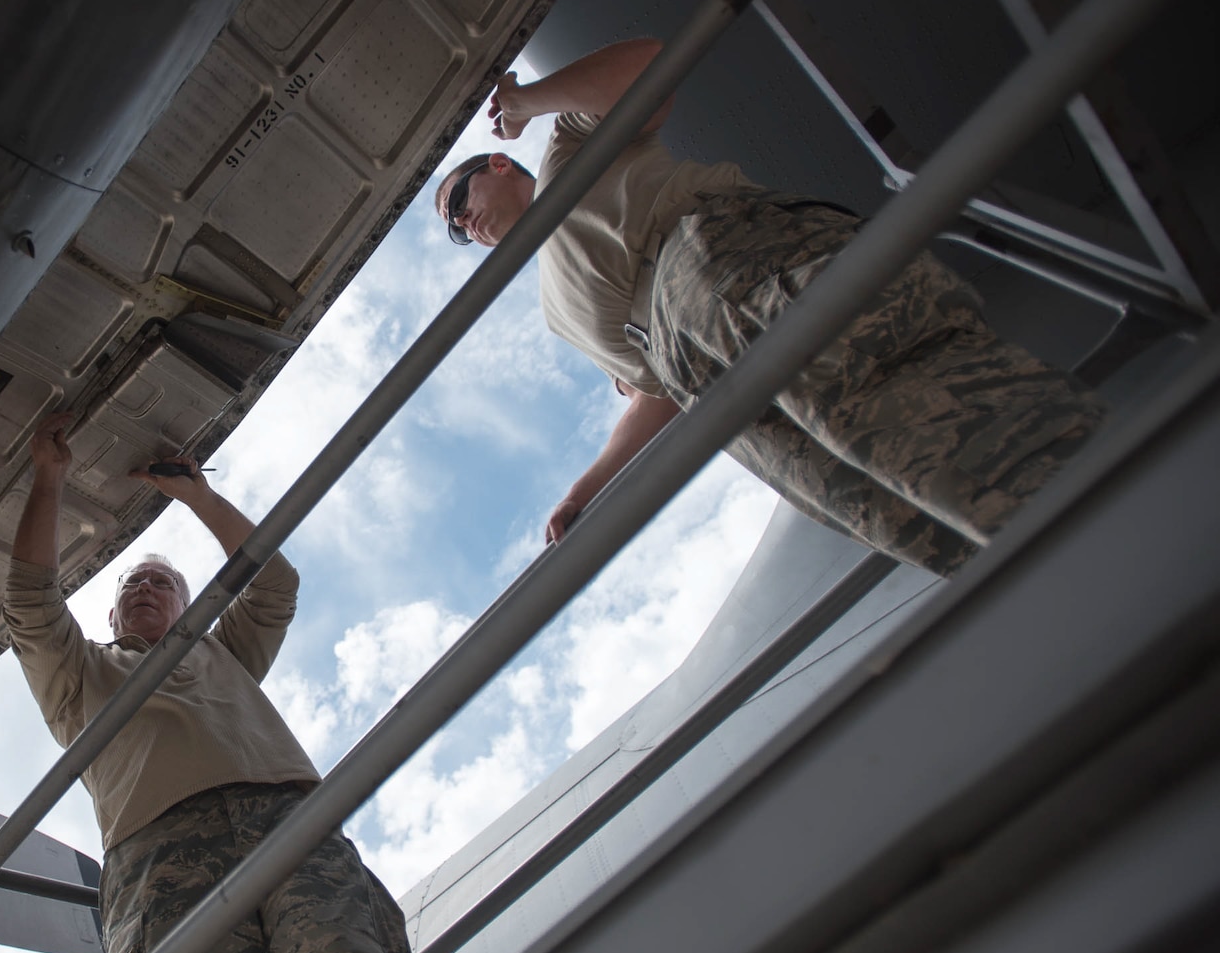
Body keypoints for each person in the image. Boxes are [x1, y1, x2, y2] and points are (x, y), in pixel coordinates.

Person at [437, 37, 1105, 576]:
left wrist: (524, 100)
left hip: (709, 259)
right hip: (704, 383)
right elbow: (655, 394)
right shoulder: (560, 310)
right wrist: (585, 489)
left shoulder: (566, 155)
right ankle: (1079, 583)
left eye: (458, 205)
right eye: (456, 231)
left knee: (911, 405)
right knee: (891, 504)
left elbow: (651, 68)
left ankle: (1122, 507)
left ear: (497, 165)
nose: (465, 228)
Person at [5, 413, 422, 953]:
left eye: (163, 581)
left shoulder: (220, 652)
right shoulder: (84, 675)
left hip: (286, 818)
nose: (146, 587)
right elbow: (30, 606)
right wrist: (50, 478)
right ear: (111, 610)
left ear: (185, 601)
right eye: (133, 581)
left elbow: (274, 581)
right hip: (163, 853)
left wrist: (194, 497)